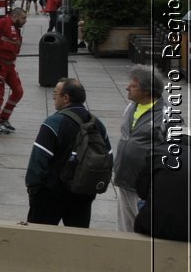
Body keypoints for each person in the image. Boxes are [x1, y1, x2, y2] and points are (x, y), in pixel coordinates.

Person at [26, 78, 107, 227]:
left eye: (55, 94)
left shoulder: (53, 123)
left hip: (51, 195)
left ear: (66, 98)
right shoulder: (97, 124)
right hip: (83, 193)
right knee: (77, 239)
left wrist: (33, 188)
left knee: (38, 241)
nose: (53, 98)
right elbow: (107, 157)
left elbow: (39, 159)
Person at [112, 67, 167, 232]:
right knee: (124, 227)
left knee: (143, 228)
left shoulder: (166, 115)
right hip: (123, 179)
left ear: (147, 91)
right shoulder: (130, 107)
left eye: (133, 86)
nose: (128, 88)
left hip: (144, 186)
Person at [0, 7, 27, 134]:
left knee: (18, 91)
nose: (25, 21)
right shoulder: (3, 23)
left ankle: (4, 119)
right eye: (23, 18)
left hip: (9, 65)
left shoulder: (16, 28)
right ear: (15, 16)